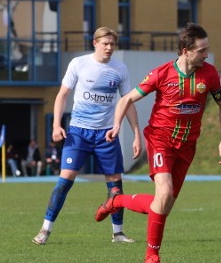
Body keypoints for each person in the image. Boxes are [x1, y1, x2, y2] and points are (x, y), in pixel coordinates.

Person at [95, 23, 221, 263]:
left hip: (187, 146)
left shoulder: (209, 75)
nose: (206, 55)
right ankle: (151, 258)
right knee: (164, 195)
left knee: (163, 204)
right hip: (160, 140)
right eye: (201, 50)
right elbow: (126, 98)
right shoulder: (162, 73)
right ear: (185, 50)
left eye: (207, 49)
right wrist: (116, 127)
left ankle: (117, 201)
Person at [32, 27, 142, 246]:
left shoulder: (120, 69)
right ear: (95, 43)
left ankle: (118, 234)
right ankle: (45, 230)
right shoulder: (79, 64)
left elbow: (127, 102)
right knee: (64, 183)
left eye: (112, 44)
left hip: (106, 135)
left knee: (115, 186)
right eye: (105, 43)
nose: (109, 48)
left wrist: (137, 134)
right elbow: (62, 95)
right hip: (78, 133)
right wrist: (56, 124)